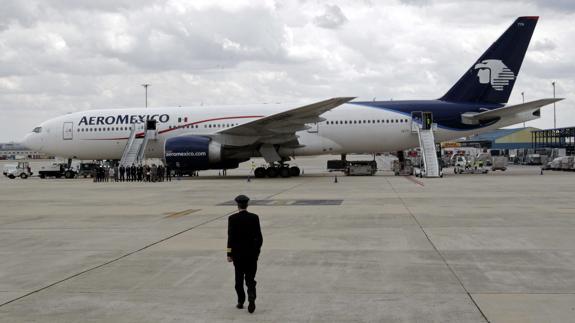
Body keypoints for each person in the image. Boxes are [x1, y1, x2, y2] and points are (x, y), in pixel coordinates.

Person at [227, 195, 263, 314]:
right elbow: (259, 237)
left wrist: (229, 253)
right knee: (250, 279)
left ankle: (241, 301)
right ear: (247, 205)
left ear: (237, 205)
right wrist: (257, 251)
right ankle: (251, 296)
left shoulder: (232, 218)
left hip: (238, 255)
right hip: (252, 255)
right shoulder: (254, 218)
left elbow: (230, 237)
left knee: (239, 280)